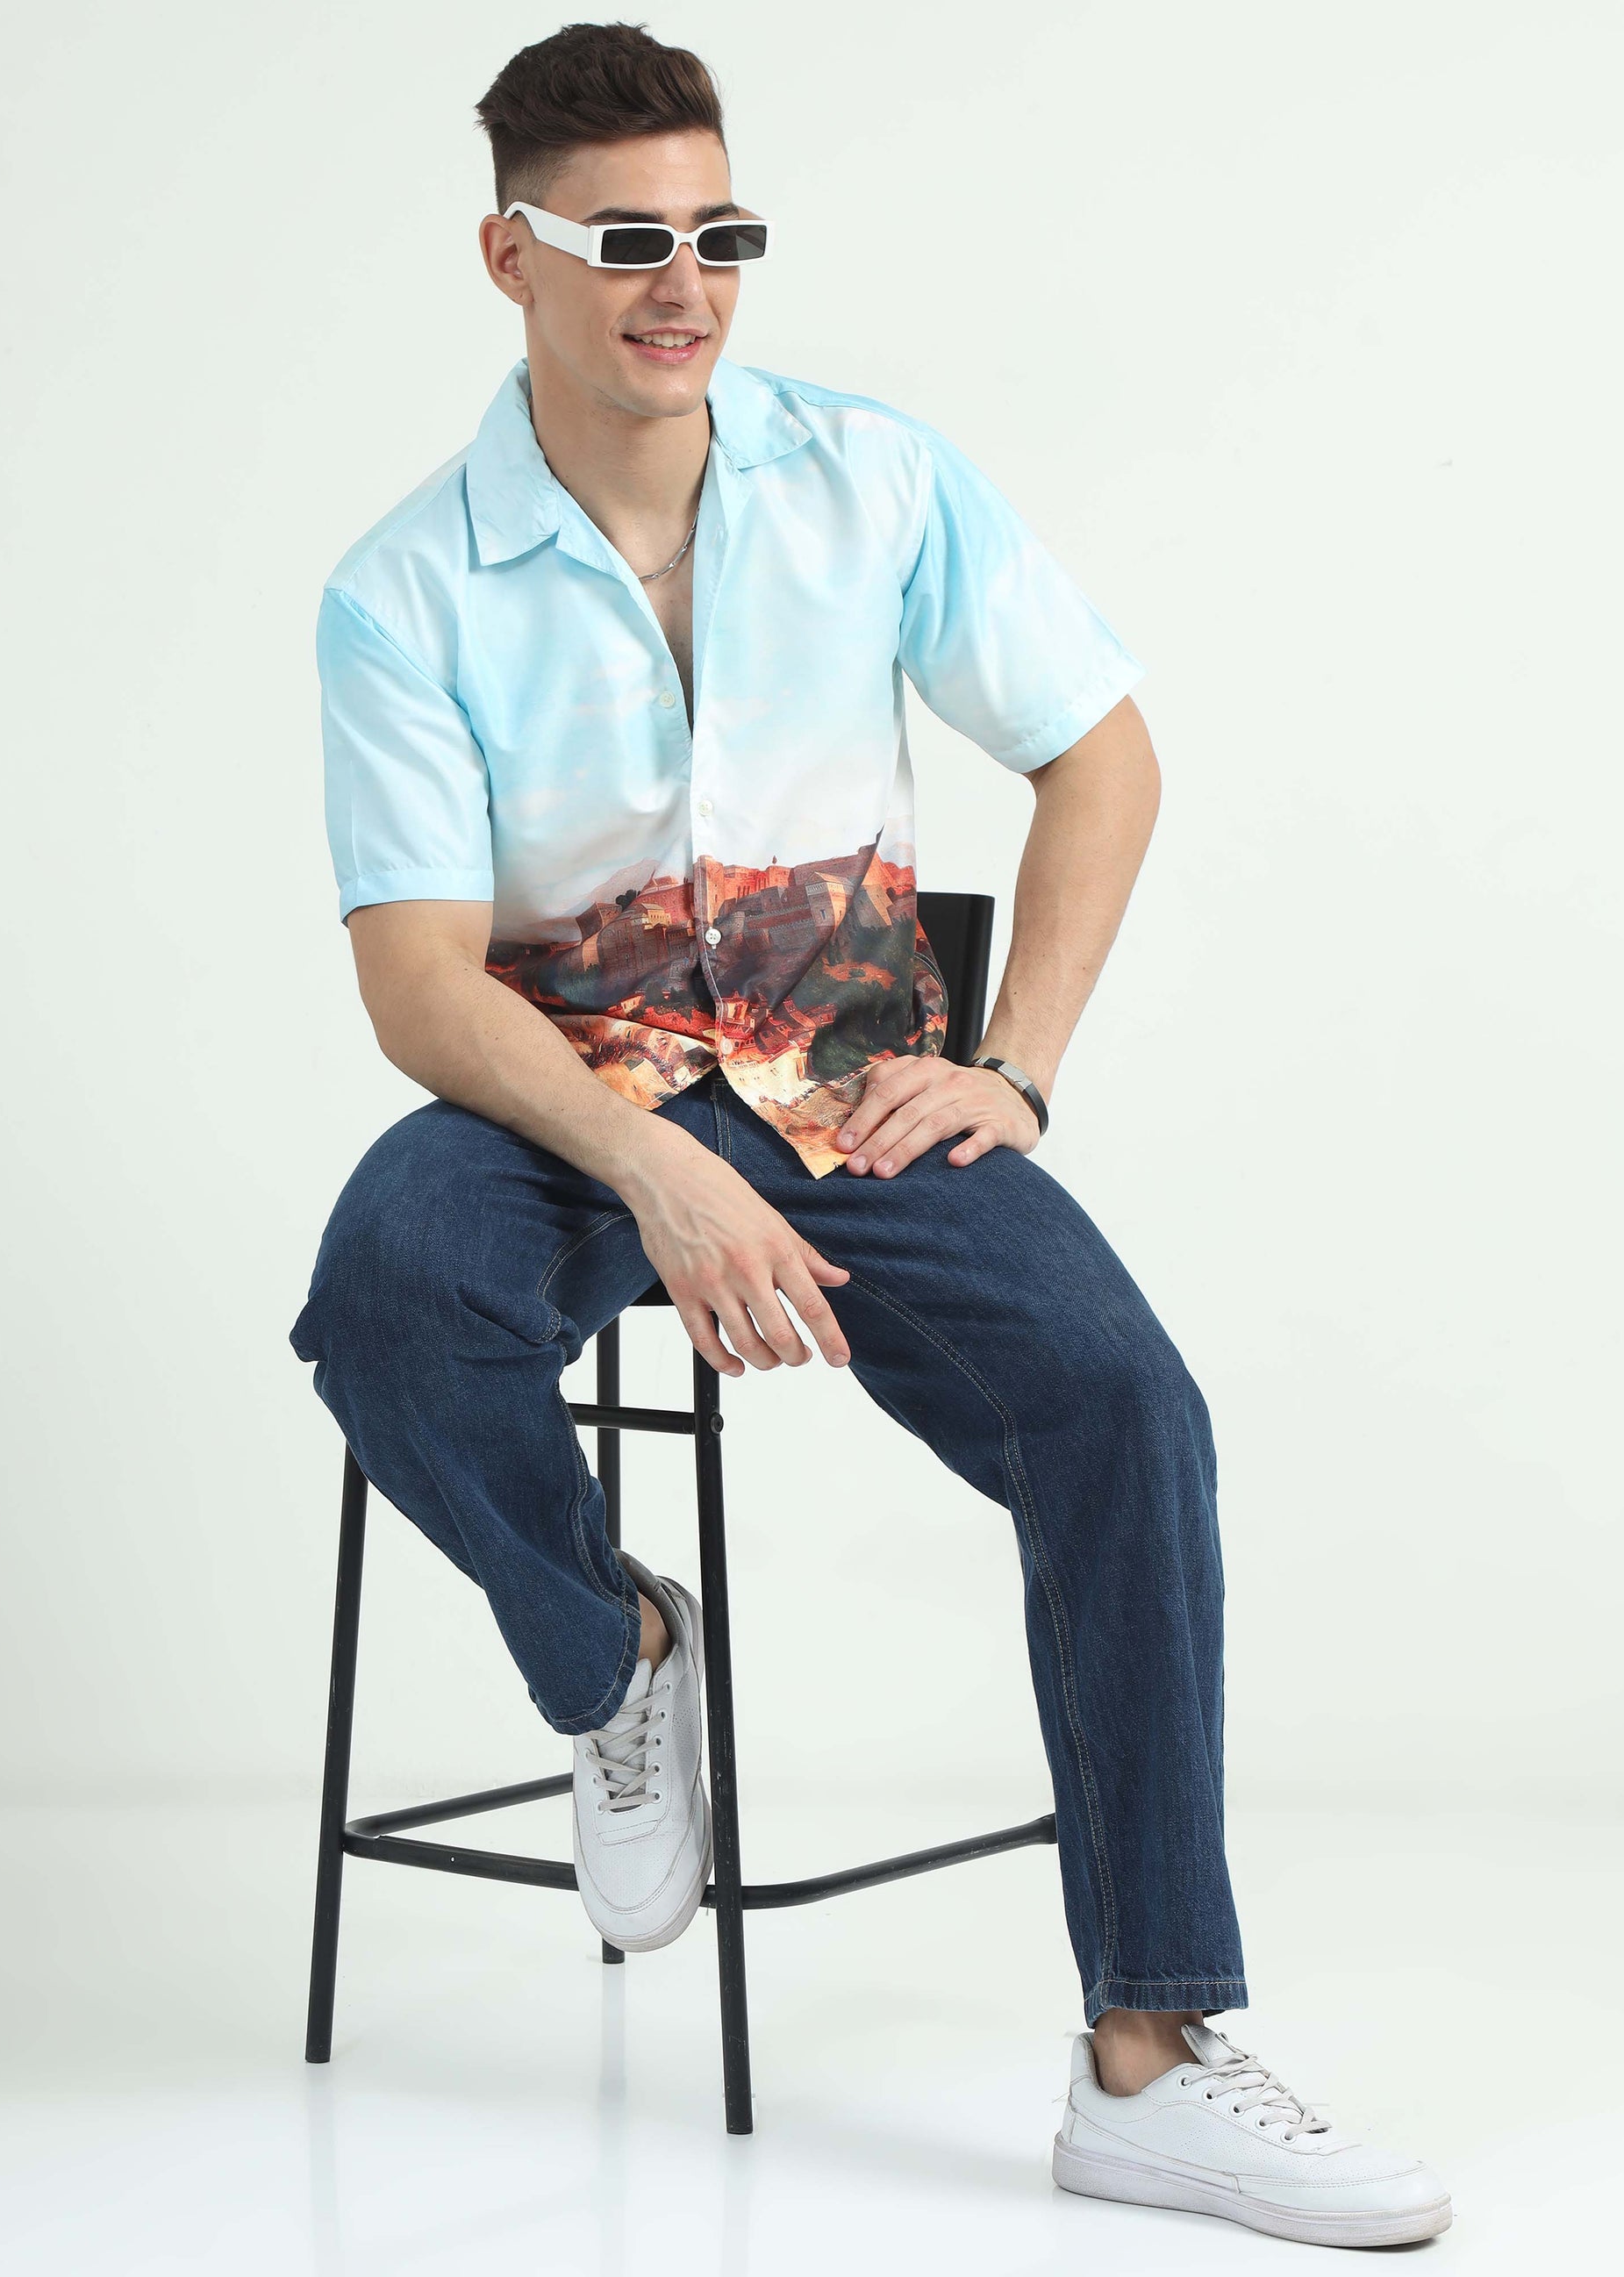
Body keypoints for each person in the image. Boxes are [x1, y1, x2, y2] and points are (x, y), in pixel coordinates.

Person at [290, 21, 1451, 2252]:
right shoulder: (404, 585)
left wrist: (1016, 1068)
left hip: (852, 1079)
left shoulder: (872, 480)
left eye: (719, 231)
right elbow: (420, 981)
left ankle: (1151, 2053)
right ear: (507, 257)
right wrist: (655, 1166)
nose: (683, 283)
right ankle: (613, 1659)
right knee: (390, 1294)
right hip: (569, 1099)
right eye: (626, 240)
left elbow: (1100, 753)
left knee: (1123, 1403)